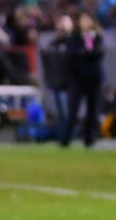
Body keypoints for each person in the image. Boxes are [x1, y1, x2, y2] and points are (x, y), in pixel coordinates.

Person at [63, 12, 105, 148]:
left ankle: (89, 139)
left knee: (93, 111)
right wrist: (87, 54)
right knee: (72, 110)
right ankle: (66, 139)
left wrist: (84, 53)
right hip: (77, 79)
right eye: (83, 20)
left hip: (94, 79)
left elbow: (98, 54)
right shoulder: (74, 38)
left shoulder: (97, 37)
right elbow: (72, 56)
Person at [41, 14, 75, 145]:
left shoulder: (73, 43)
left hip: (71, 83)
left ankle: (67, 138)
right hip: (58, 83)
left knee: (67, 113)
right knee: (62, 114)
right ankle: (65, 139)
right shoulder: (53, 44)